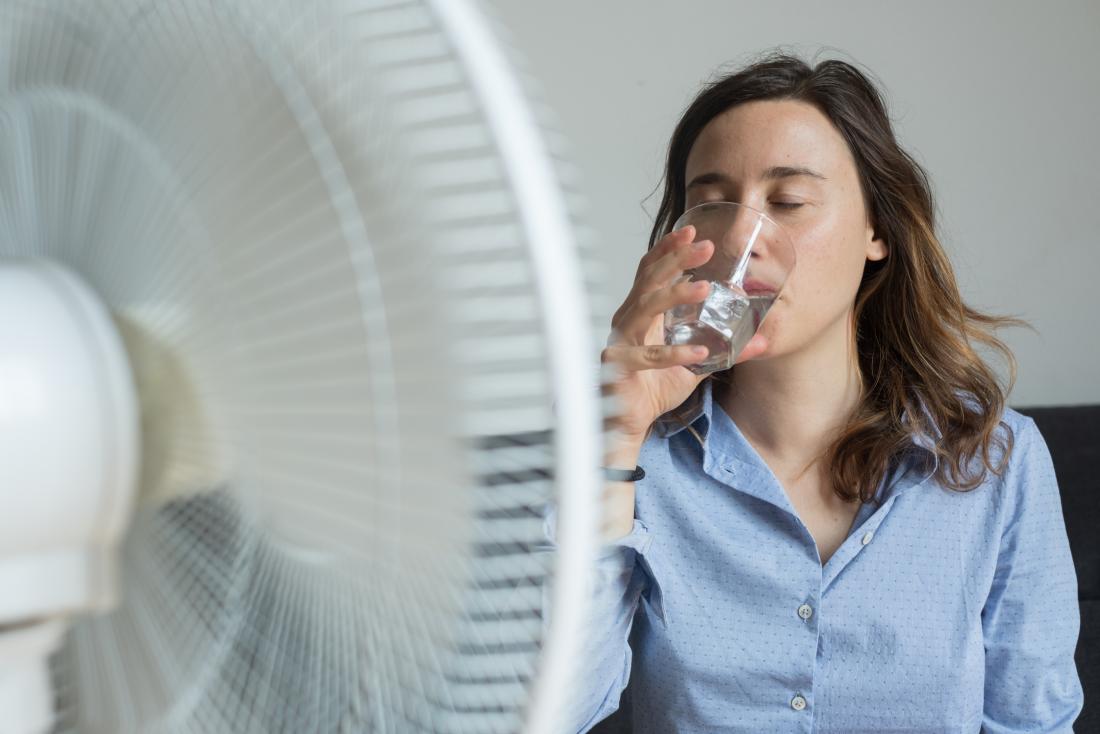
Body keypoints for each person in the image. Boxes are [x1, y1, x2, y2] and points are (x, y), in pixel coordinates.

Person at [555, 51, 1084, 733]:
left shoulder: (998, 461)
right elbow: (548, 713)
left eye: (789, 202)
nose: (743, 241)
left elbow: (1032, 722)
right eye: (712, 205)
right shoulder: (634, 464)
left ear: (878, 232)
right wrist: (614, 438)